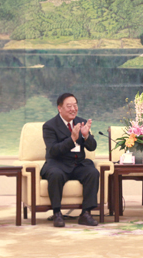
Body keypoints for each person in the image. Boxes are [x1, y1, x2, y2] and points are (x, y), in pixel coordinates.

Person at [40, 93, 100, 227]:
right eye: (69, 106)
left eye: (75, 105)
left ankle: (86, 214)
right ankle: (57, 213)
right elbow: (53, 151)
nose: (73, 109)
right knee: (55, 174)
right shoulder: (50, 126)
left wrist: (86, 136)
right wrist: (72, 139)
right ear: (59, 108)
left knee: (92, 172)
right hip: (58, 164)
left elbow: (92, 147)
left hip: (78, 164)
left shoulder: (81, 122)